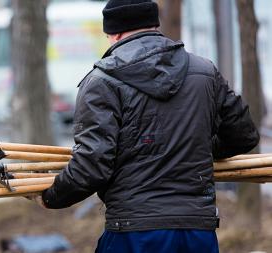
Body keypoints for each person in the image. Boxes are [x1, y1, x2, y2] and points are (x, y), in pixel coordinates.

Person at [31, 0, 260, 252]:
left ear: (113, 33)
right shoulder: (205, 71)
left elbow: (92, 165)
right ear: (154, 25)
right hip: (198, 232)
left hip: (133, 232)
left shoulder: (102, 82)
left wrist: (50, 196)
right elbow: (243, 135)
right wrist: (194, 149)